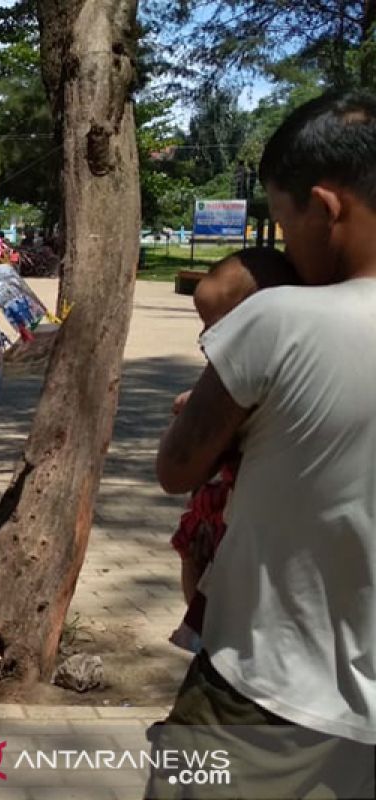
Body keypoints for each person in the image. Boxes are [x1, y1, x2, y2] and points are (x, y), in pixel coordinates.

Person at [152, 91, 376, 798]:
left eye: (283, 225)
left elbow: (175, 467)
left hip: (266, 697)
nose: (284, 247)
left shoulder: (279, 320)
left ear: (326, 207)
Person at [166, 248, 299, 651]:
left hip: (244, 513)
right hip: (216, 503)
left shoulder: (275, 366)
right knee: (194, 551)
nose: (206, 340)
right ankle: (202, 627)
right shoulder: (233, 365)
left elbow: (176, 466)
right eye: (204, 327)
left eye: (217, 326)